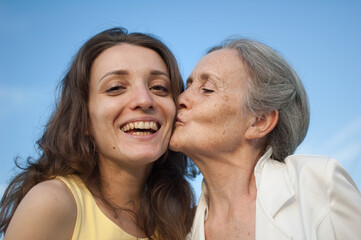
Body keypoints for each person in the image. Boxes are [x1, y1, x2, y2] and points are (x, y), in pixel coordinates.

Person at [0, 27, 196, 240]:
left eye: (159, 87)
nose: (144, 100)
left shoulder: (185, 220)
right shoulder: (53, 203)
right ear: (83, 119)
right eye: (115, 88)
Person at [170, 38, 361, 239]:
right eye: (187, 87)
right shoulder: (182, 230)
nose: (180, 100)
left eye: (207, 89)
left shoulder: (318, 186)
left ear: (259, 122)